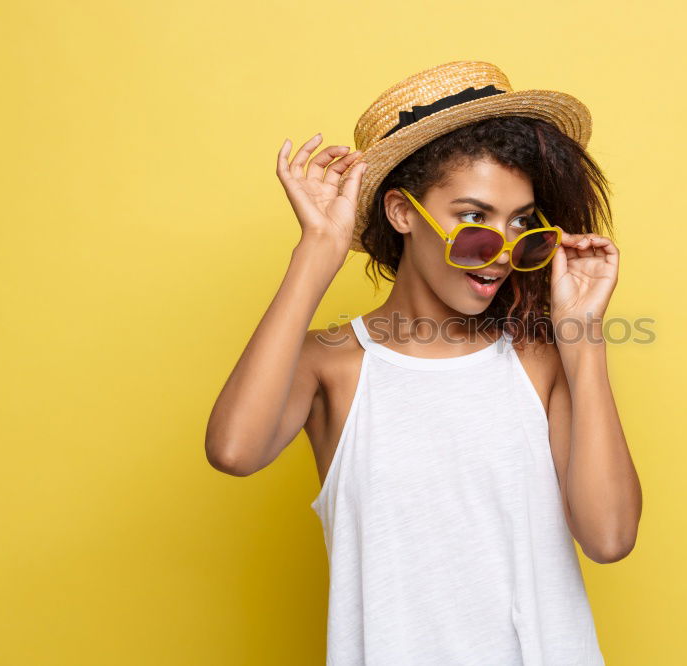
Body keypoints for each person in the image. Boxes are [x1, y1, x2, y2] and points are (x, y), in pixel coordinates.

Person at [206, 60, 642, 664]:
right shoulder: (332, 365)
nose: (501, 254)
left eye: (522, 226)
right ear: (402, 212)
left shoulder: (540, 360)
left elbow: (610, 536)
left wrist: (582, 337)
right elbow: (234, 451)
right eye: (472, 220)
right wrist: (319, 249)